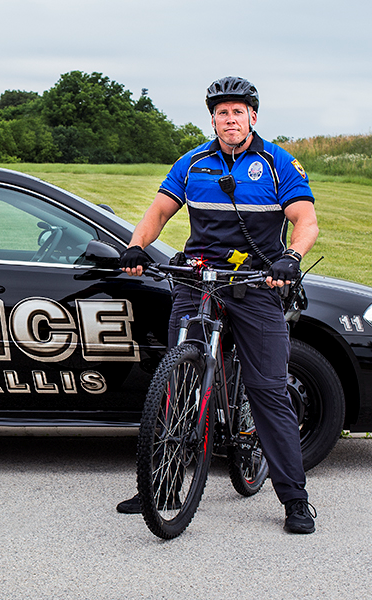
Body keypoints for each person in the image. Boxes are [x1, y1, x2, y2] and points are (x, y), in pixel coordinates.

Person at [116, 76, 319, 534]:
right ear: (212, 118)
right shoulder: (193, 163)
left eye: (238, 112)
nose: (230, 119)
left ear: (253, 117)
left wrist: (291, 257)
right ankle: (162, 487)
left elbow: (305, 221)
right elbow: (161, 211)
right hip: (198, 280)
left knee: (268, 391)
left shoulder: (278, 163)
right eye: (222, 112)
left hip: (256, 283)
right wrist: (136, 245)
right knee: (178, 382)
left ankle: (295, 500)